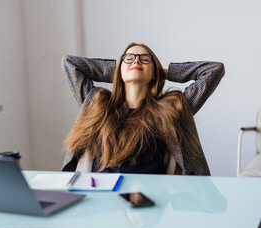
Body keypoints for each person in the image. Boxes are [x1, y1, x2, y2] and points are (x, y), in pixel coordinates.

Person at [61, 43, 225, 175]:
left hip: (150, 198)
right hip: (103, 198)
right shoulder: (98, 104)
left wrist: (162, 72)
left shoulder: (172, 108)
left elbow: (213, 70)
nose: (136, 61)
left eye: (145, 59)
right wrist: (119, 70)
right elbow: (69, 63)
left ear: (154, 71)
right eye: (129, 58)